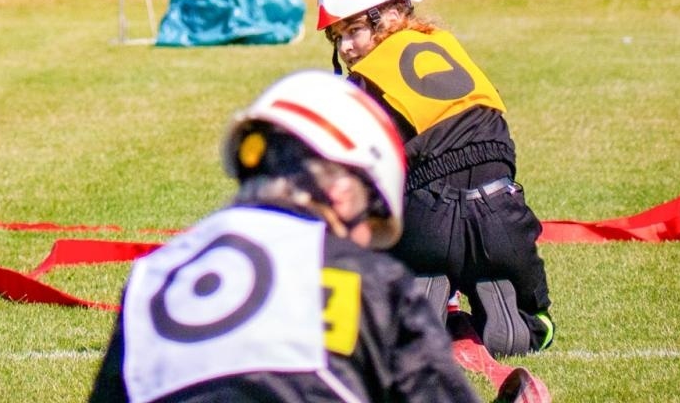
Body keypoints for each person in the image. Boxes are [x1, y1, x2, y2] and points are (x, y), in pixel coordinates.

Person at [88, 69, 536, 403]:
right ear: (344, 193)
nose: (364, 242)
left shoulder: (153, 278)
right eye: (370, 224)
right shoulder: (369, 283)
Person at [317, 0, 554, 358]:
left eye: (353, 30)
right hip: (504, 211)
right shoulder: (445, 45)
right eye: (338, 37)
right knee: (539, 319)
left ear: (390, 16)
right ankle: (521, 316)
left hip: (426, 221)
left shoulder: (364, 84)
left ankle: (421, 297)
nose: (347, 47)